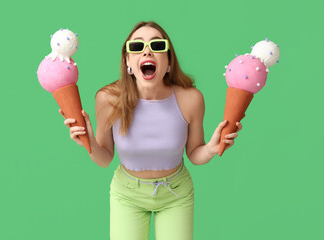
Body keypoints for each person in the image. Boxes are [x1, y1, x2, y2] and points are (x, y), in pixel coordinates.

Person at [59, 21, 242, 240]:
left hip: (176, 193)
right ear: (128, 61)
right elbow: (105, 158)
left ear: (168, 62)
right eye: (136, 47)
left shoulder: (191, 99)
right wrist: (89, 142)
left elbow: (194, 154)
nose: (147, 50)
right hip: (127, 194)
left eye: (157, 46)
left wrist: (211, 148)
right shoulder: (108, 99)